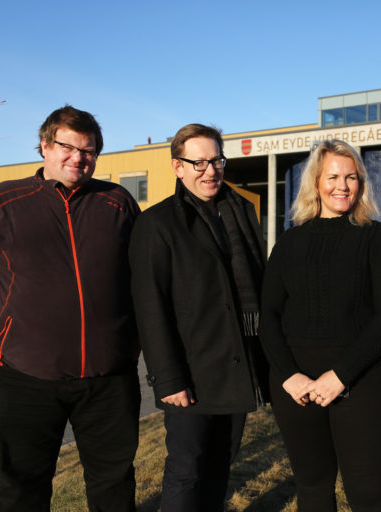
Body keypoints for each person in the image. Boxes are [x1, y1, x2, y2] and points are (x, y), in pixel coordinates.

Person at [0, 105, 141, 511]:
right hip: (23, 376)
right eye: (67, 146)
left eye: (89, 150)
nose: (78, 157)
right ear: (44, 146)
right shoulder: (3, 201)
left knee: (114, 484)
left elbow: (142, 280)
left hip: (109, 379)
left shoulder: (117, 203)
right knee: (23, 489)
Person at [259, 139, 381, 511]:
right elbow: (269, 317)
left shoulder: (379, 239)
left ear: (361, 184)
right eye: (333, 176)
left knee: (369, 495)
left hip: (362, 385)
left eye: (351, 177)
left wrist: (340, 375)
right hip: (297, 390)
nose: (342, 186)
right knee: (312, 489)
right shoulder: (289, 244)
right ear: (316, 182)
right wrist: (289, 375)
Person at [129, 123, 268, 511]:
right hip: (191, 373)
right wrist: (169, 379)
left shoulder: (240, 212)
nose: (210, 171)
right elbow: (150, 306)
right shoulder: (157, 224)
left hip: (237, 366)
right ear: (178, 167)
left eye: (217, 160)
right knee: (186, 470)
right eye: (199, 162)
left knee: (220, 466)